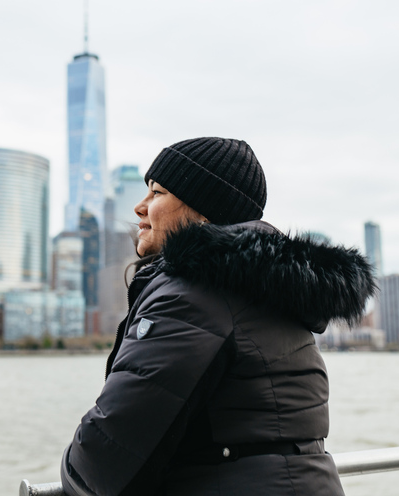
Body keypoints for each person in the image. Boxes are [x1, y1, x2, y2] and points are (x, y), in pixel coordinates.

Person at [60, 137, 376, 496]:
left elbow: (103, 459)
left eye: (157, 193)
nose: (139, 207)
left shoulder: (194, 293)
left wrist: (69, 469)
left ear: (203, 212)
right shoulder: (259, 290)